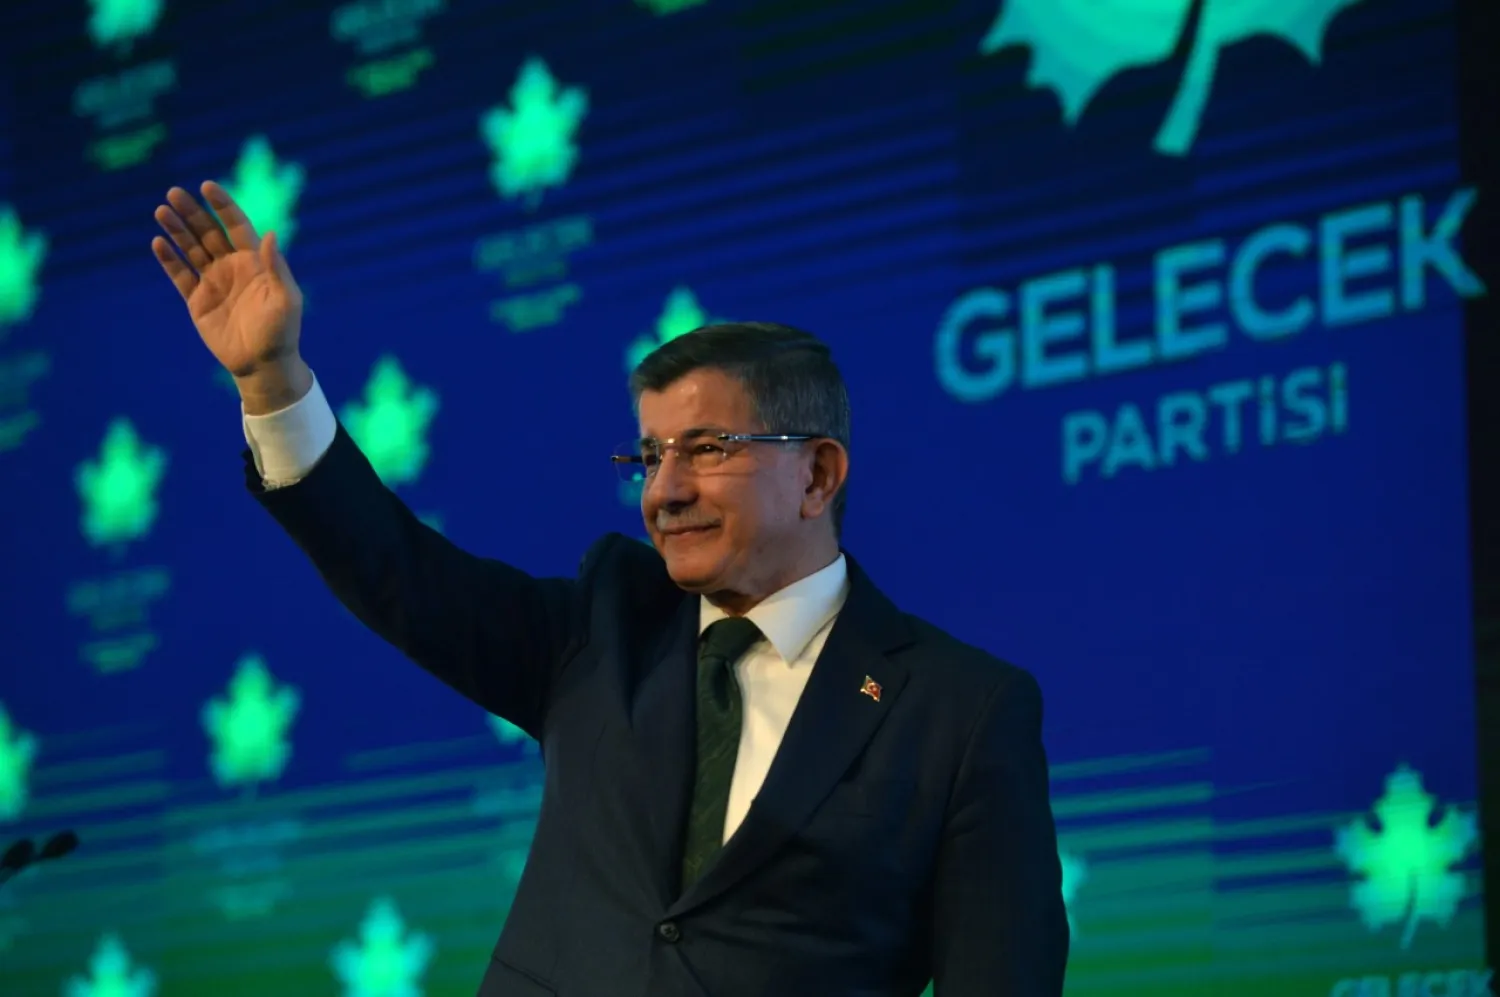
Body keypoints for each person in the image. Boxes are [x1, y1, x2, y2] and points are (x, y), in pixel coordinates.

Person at [151, 181, 1069, 996]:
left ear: (818, 475)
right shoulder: (606, 623)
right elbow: (398, 570)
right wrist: (273, 383)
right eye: (649, 455)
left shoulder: (959, 710)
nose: (663, 491)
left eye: (707, 449)